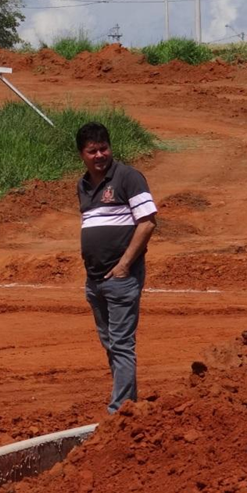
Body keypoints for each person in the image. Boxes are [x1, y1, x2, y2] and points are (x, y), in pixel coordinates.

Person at [76, 122, 157, 414]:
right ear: (82, 154)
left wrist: (124, 265)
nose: (100, 155)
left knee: (121, 344)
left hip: (121, 277)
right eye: (92, 151)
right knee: (111, 343)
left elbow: (147, 222)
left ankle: (118, 412)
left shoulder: (128, 177)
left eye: (104, 148)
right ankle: (128, 405)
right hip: (95, 279)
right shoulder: (83, 185)